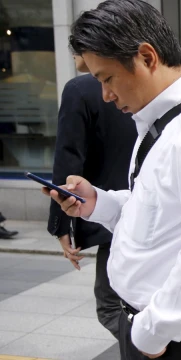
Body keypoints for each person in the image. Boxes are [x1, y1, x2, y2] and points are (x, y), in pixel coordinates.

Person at [44, 0, 181, 359]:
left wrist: (153, 333)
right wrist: (99, 202)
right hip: (158, 324)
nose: (106, 95)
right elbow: (157, 212)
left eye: (107, 79)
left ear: (147, 57)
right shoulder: (161, 122)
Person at [47, 54, 137, 339]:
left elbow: (68, 157)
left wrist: (62, 224)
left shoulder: (80, 90)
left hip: (109, 213)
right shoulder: (141, 88)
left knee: (111, 307)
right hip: (130, 206)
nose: (108, 94)